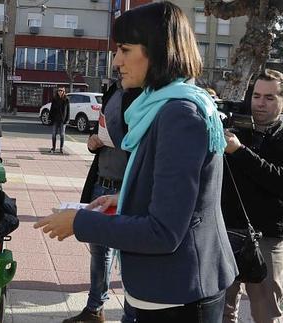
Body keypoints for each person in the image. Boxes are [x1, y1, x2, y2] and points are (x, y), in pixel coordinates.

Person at [34, 2, 237, 322]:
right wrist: (123, 199)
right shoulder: (163, 106)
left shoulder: (179, 114)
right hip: (164, 291)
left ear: (157, 51)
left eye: (125, 50)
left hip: (179, 296)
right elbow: (174, 196)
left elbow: (164, 232)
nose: (116, 61)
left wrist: (78, 223)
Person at [64, 81, 141, 323]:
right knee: (99, 251)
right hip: (101, 183)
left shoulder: (143, 96)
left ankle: (132, 314)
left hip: (127, 188)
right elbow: (100, 132)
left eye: (124, 53)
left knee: (130, 254)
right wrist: (92, 143)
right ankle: (95, 308)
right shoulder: (112, 92)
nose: (118, 62)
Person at [222, 69, 283, 323]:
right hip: (227, 232)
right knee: (221, 312)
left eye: (269, 97)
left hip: (267, 237)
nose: (260, 102)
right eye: (256, 95)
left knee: (265, 314)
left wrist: (240, 151)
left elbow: (278, 180)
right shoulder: (237, 126)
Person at [49, 87, 70, 154]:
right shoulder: (54, 99)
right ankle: (53, 148)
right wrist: (50, 118)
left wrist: (67, 120)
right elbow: (51, 109)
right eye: (59, 91)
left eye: (61, 91)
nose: (60, 92)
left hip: (62, 120)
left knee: (62, 134)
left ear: (64, 92)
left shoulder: (66, 99)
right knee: (53, 134)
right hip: (55, 119)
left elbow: (68, 111)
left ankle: (61, 148)